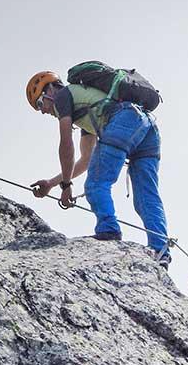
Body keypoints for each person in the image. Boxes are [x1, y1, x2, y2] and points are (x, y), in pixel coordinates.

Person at [25, 70, 171, 265]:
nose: (43, 111)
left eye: (40, 103)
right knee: (146, 196)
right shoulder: (91, 104)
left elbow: (65, 145)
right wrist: (53, 183)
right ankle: (161, 250)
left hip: (124, 120)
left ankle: (108, 230)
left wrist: (67, 186)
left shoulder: (64, 96)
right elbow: (86, 160)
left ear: (50, 89)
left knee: (96, 184)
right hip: (146, 125)